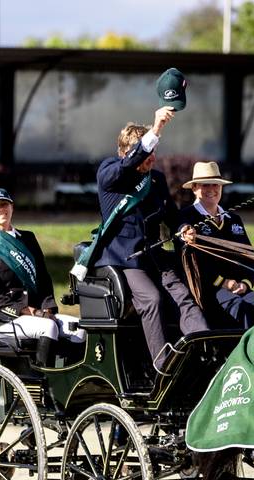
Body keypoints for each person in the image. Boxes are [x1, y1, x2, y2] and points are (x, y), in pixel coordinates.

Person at [72, 102, 208, 374]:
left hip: (154, 256)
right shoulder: (110, 173)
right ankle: (162, 364)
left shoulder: (155, 179)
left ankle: (203, 351)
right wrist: (156, 127)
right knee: (152, 299)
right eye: (147, 154)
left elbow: (171, 214)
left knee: (184, 295)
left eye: (154, 152)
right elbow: (129, 165)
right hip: (123, 259)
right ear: (128, 152)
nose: (153, 158)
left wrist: (183, 228)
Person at [0, 188, 84, 367]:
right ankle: (41, 384)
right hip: (5, 319)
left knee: (79, 328)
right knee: (48, 327)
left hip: (39, 315)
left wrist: (48, 310)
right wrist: (32, 312)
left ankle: (70, 386)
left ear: (12, 207)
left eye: (4, 204)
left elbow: (44, 280)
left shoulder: (28, 238)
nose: (1, 209)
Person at [176, 161, 254, 329]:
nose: (211, 189)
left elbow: (248, 255)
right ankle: (239, 353)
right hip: (209, 290)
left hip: (238, 287)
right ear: (194, 188)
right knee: (238, 307)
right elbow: (192, 259)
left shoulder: (233, 219)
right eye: (205, 185)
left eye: (216, 184)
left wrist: (245, 283)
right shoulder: (186, 218)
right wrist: (223, 282)